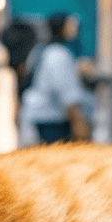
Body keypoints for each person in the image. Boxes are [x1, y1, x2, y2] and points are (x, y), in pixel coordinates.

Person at [21, 12, 91, 144]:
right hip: (51, 120)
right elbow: (66, 92)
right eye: (70, 25)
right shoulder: (57, 54)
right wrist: (78, 121)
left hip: (46, 116)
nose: (75, 29)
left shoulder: (44, 49)